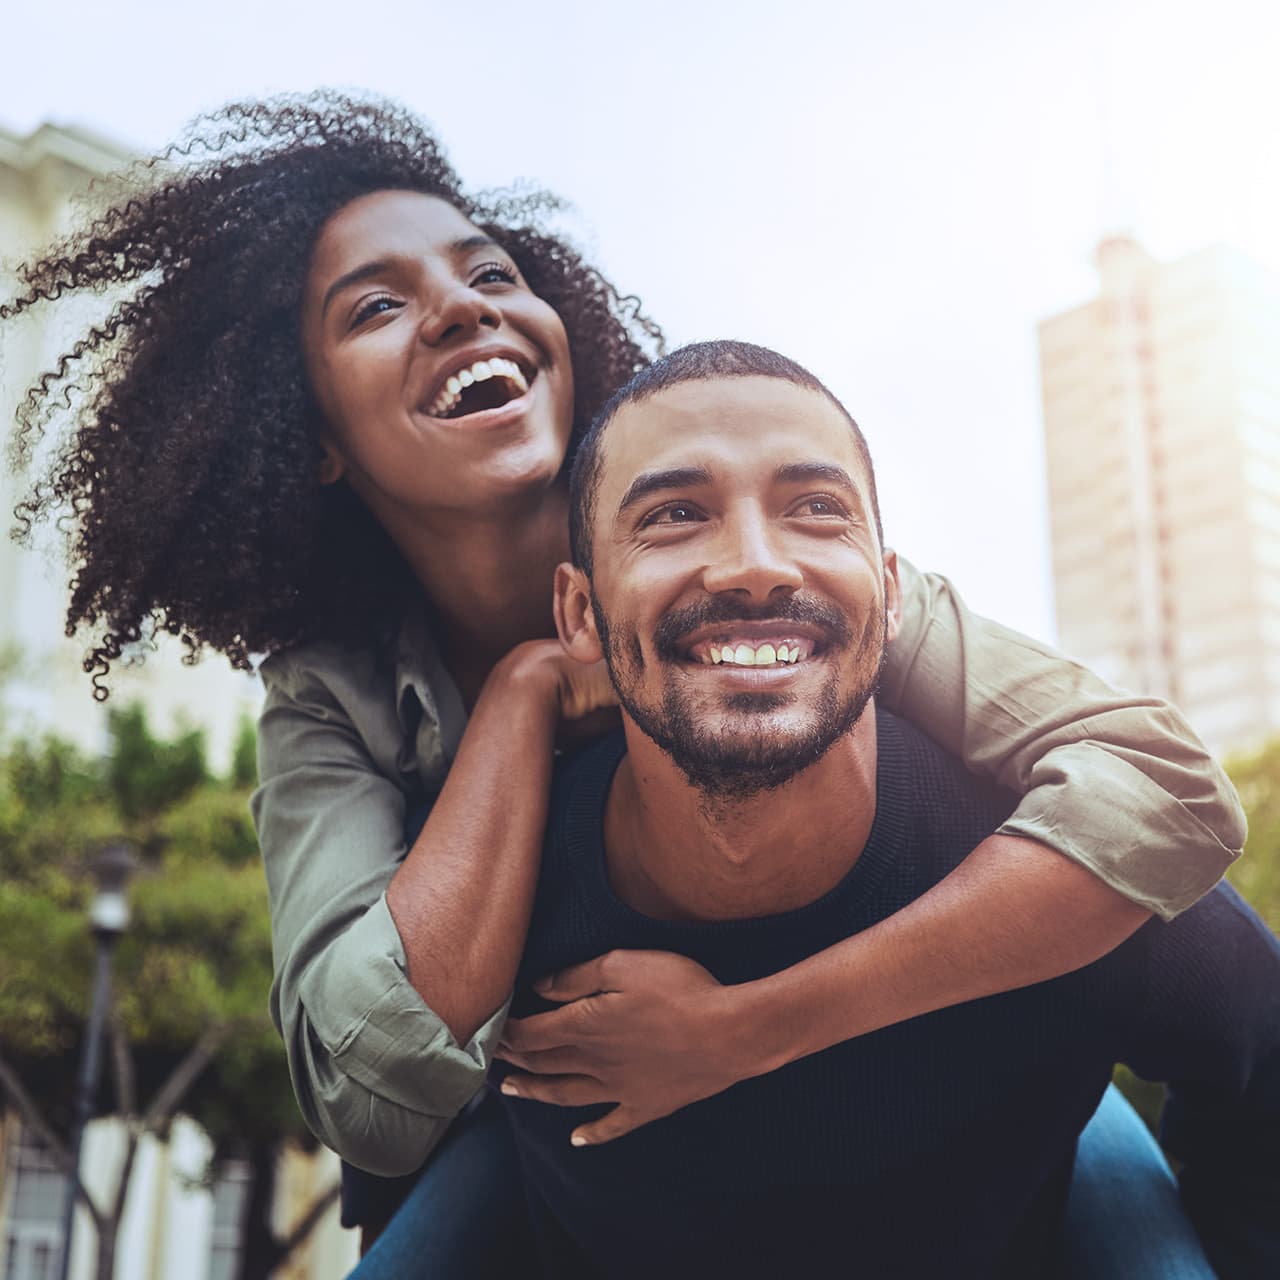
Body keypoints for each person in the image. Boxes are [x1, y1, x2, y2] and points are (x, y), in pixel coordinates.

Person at [0, 93, 1244, 1249]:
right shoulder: (330, 697)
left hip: (933, 1060)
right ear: (309, 434)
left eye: (491, 272)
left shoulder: (776, 574)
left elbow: (1155, 788)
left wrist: (754, 1026)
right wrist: (524, 696)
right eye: (375, 307)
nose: (460, 308)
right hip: (552, 1125)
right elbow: (362, 1082)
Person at [492, 340, 1280, 1279]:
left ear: (894, 594)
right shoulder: (507, 895)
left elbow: (1264, 1066)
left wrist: (744, 1029)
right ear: (578, 613)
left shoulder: (1077, 880)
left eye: (816, 510)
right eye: (674, 516)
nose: (752, 566)